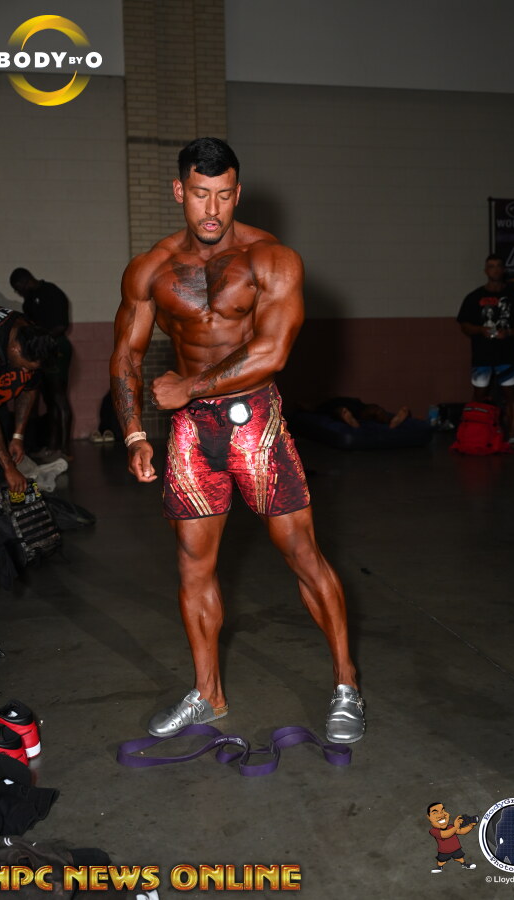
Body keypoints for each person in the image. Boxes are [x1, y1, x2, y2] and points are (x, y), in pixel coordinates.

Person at [110, 137, 365, 743]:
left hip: (256, 423)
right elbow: (126, 355)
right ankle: (207, 694)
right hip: (191, 435)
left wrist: (189, 386)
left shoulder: (272, 259)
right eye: (201, 194)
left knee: (301, 553)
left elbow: (272, 351)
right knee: (193, 566)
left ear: (238, 193)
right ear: (179, 191)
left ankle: (346, 684)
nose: (212, 209)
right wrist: (134, 433)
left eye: (224, 195)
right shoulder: (149, 268)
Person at [0, 304, 56, 491]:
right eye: (24, 366)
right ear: (15, 348)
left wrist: (18, 436)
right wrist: (9, 468)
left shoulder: (31, 334)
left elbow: (28, 389)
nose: (25, 372)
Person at [457, 255, 514, 445]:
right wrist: (480, 330)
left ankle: (513, 435)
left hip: (506, 355)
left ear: (504, 270)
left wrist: (509, 333)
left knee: (510, 394)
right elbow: (464, 325)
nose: (495, 269)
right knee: (479, 395)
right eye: (491, 266)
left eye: (498, 266)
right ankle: (477, 433)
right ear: (485, 271)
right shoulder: (474, 297)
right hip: (482, 356)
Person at [9, 268, 73, 460]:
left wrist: (41, 339)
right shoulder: (28, 302)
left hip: (55, 347)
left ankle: (65, 449)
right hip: (39, 351)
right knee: (49, 400)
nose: (18, 293)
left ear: (24, 281)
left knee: (59, 397)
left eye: (17, 288)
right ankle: (52, 447)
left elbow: (61, 325)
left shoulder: (51, 292)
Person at [427, 802, 477, 874]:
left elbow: (461, 831)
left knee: (460, 858)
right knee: (441, 861)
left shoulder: (451, 827)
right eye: (435, 813)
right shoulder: (433, 831)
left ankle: (464, 864)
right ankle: (439, 867)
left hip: (456, 849)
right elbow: (445, 835)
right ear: (429, 817)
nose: (441, 815)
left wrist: (470, 826)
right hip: (444, 851)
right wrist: (456, 826)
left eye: (442, 811)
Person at [316, 396, 410, 429]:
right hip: (351, 407)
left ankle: (393, 421)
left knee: (375, 410)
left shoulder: (327, 403)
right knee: (340, 411)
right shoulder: (326, 405)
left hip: (356, 406)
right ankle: (391, 421)